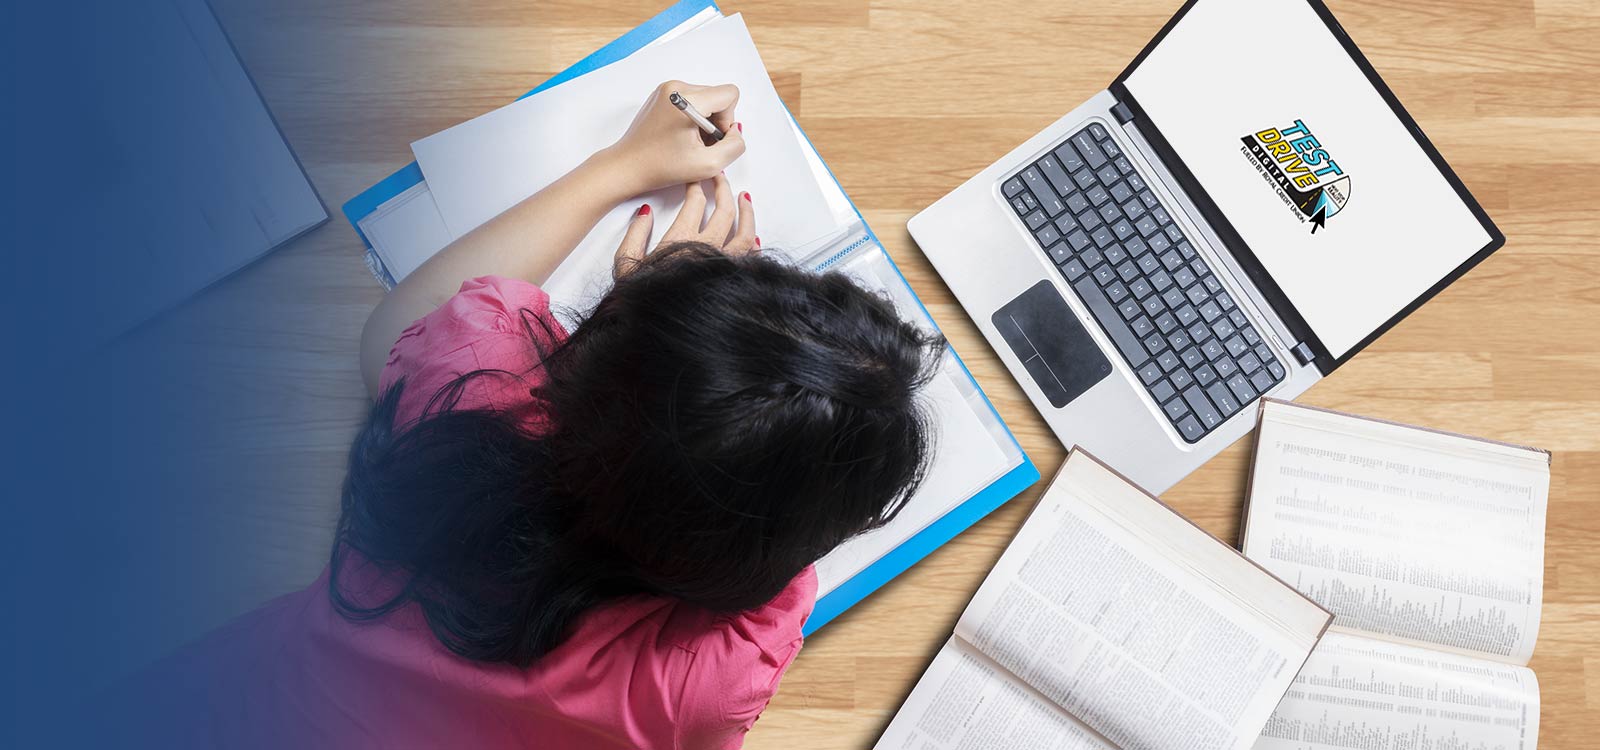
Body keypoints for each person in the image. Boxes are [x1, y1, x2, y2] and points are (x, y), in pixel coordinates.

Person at [112, 82, 947, 749]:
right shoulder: (709, 676)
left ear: (585, 354)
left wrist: (620, 186)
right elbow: (774, 542)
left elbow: (391, 334)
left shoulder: (469, 390)